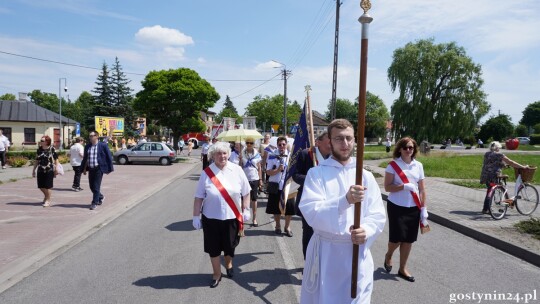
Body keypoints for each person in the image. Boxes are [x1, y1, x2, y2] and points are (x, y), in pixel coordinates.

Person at [299, 119, 386, 303]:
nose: (345, 144)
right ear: (330, 142)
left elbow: (377, 214)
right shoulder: (317, 174)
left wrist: (367, 231)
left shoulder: (365, 175)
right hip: (327, 255)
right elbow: (311, 211)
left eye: (348, 138)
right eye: (339, 139)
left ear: (354, 140)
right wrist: (345, 201)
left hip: (357, 252)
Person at [192, 142, 251, 288]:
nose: (222, 156)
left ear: (229, 154)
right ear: (213, 155)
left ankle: (229, 262)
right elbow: (199, 196)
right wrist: (195, 216)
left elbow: (246, 192)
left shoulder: (237, 170)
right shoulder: (207, 173)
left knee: (230, 246)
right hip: (211, 218)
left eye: (224, 153)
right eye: (218, 153)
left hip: (232, 217)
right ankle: (216, 273)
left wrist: (246, 209)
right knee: (214, 248)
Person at [383, 137, 427, 283]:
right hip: (396, 206)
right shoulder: (393, 165)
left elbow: (422, 189)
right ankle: (389, 255)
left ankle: (402, 268)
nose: (409, 150)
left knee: (408, 239)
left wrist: (424, 208)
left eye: (411, 148)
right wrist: (403, 186)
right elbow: (387, 187)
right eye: (406, 147)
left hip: (413, 207)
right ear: (400, 149)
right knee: (396, 238)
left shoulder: (418, 165)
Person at [292, 131, 331, 259]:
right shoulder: (306, 154)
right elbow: (296, 176)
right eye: (328, 142)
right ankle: (308, 262)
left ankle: (322, 262)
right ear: (318, 142)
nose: (331, 144)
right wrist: (313, 178)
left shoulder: (333, 157)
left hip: (328, 202)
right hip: (309, 201)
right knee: (309, 233)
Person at [480, 141, 528, 214]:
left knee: (489, 191)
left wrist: (503, 165)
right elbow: (511, 162)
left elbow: (492, 162)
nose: (499, 149)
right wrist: (522, 167)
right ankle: (509, 204)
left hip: (485, 175)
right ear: (497, 148)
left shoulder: (487, 154)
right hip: (494, 176)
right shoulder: (499, 155)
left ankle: (485, 209)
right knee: (499, 190)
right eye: (499, 148)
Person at [265, 136, 295, 237]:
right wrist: (278, 170)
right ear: (277, 145)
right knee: (275, 207)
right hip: (275, 185)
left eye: (283, 144)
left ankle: (287, 227)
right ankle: (277, 226)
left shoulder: (292, 156)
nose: (282, 146)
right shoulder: (272, 156)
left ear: (286, 145)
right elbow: (268, 172)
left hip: (288, 185)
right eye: (279, 144)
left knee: (289, 208)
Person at [82, 130, 114, 210]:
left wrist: (109, 168)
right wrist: (84, 169)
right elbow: (85, 158)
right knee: (91, 186)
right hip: (91, 168)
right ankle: (100, 197)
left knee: (96, 186)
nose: (90, 137)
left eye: (92, 136)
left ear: (96, 136)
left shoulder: (102, 145)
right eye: (89, 136)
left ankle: (94, 203)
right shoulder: (87, 146)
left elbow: (109, 157)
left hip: (99, 169)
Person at [240, 136, 263, 226]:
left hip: (254, 178)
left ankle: (254, 218)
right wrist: (240, 160)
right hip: (244, 179)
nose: (249, 145)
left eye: (251, 143)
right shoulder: (242, 153)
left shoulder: (257, 154)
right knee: (243, 199)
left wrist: (260, 179)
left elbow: (259, 168)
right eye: (247, 143)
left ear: (254, 144)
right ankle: (243, 216)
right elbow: (240, 167)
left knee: (254, 199)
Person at [31, 135, 59, 207]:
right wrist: (34, 170)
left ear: (47, 142)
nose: (41, 142)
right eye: (41, 140)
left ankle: (48, 200)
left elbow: (56, 159)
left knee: (48, 186)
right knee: (41, 186)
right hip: (40, 169)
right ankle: (46, 196)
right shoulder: (39, 149)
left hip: (49, 169)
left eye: (42, 141)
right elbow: (37, 160)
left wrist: (56, 168)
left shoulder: (51, 149)